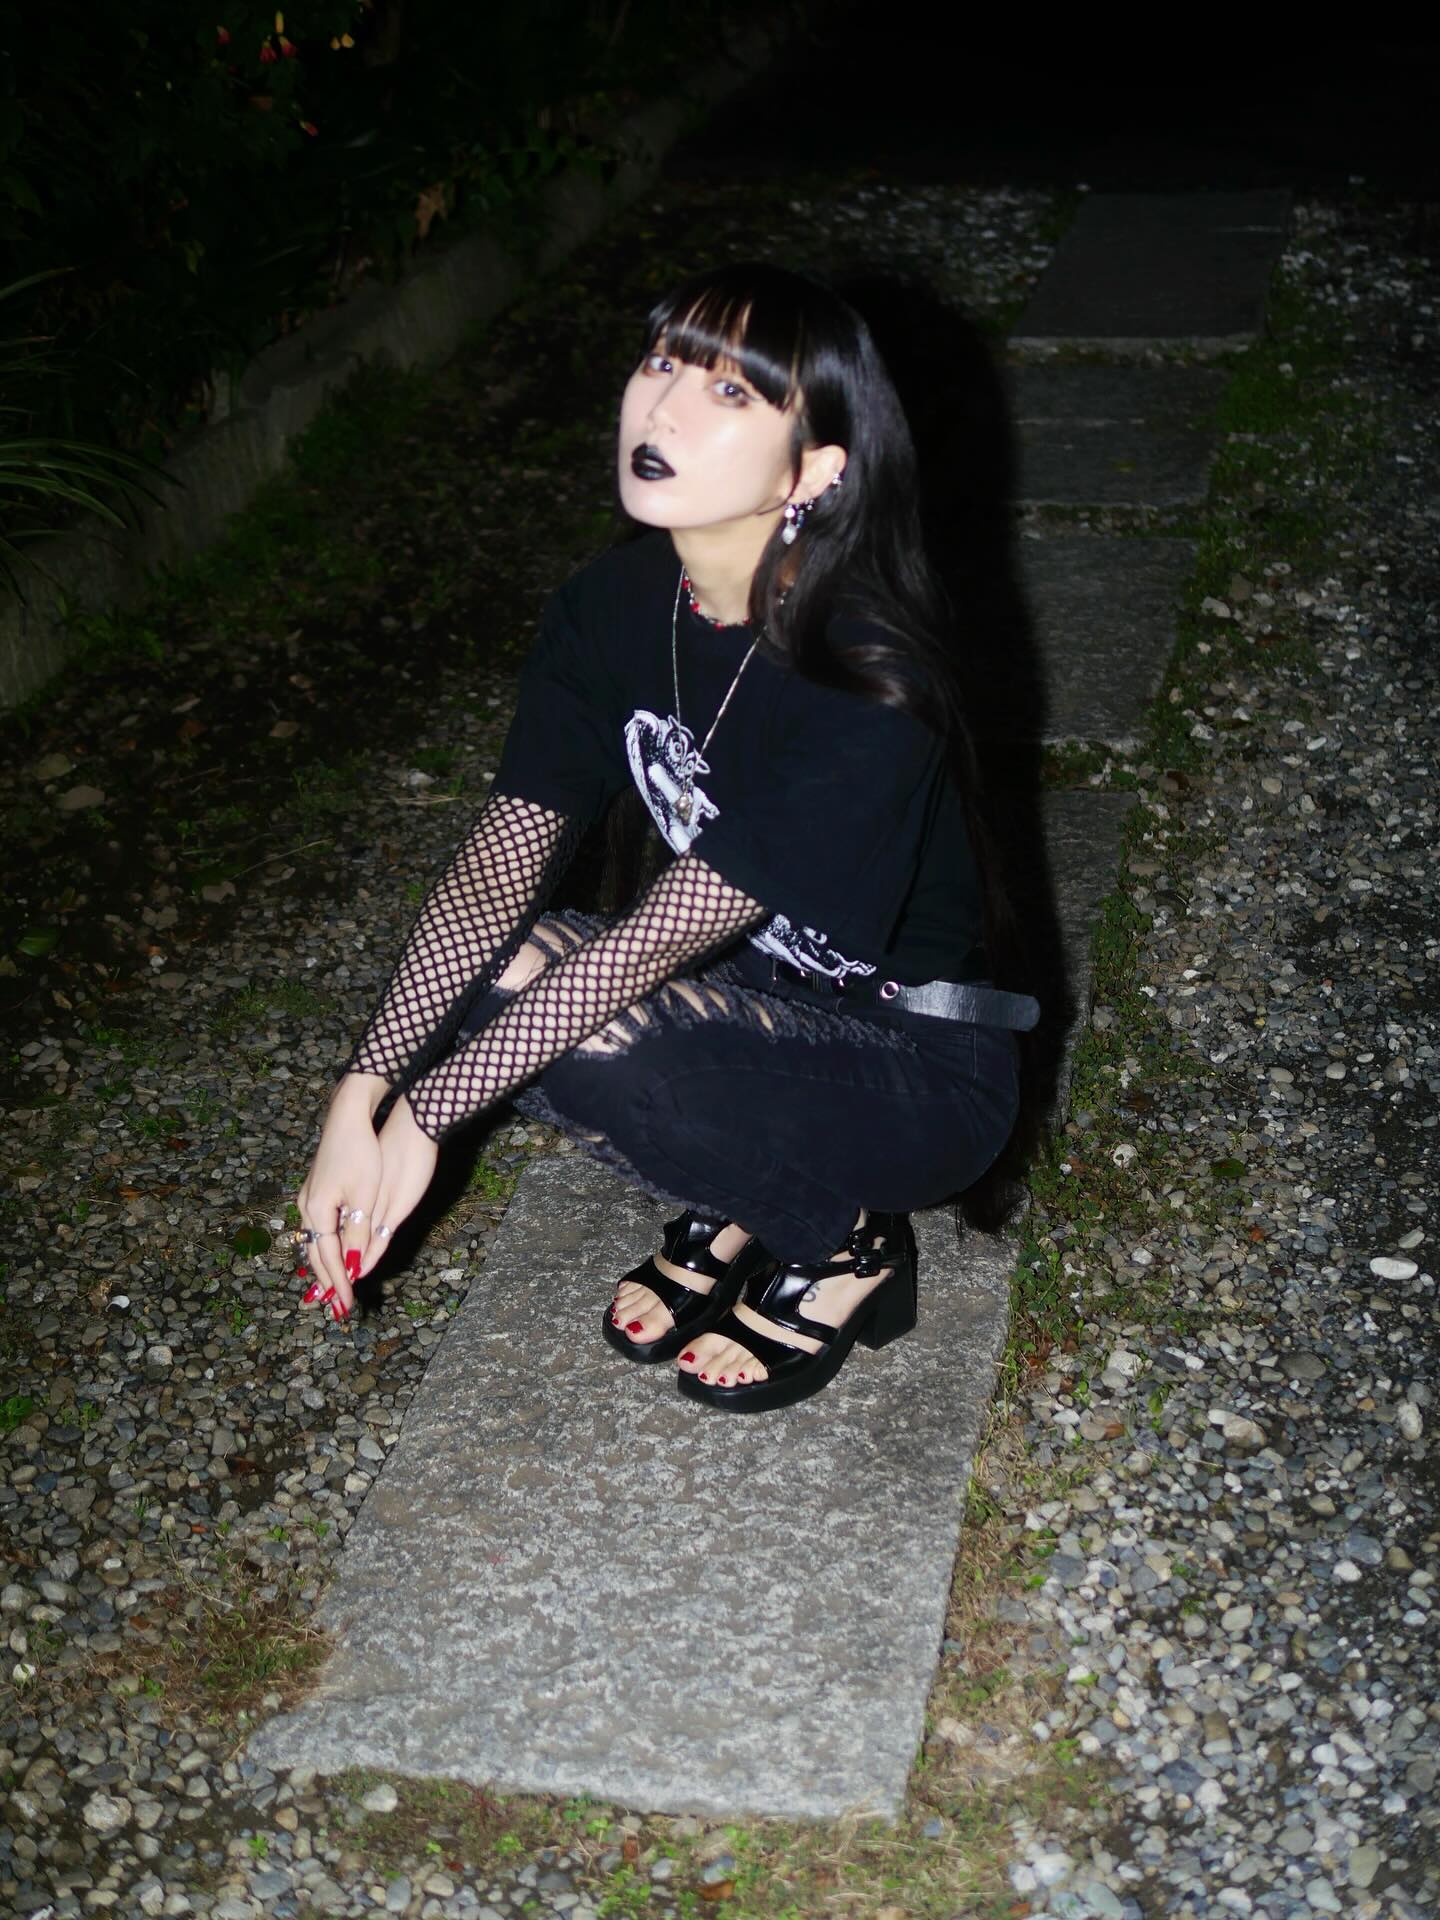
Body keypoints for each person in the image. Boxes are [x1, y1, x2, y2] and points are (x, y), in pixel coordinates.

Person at [294, 261, 1037, 1413]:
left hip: (914, 1062)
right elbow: (501, 860)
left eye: (732, 393)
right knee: (483, 974)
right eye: (661, 364)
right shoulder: (611, 606)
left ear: (815, 471)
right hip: (745, 996)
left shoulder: (870, 671)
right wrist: (362, 1097)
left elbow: (650, 946)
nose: (665, 409)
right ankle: (741, 1189)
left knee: (599, 1043)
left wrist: (424, 1122)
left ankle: (840, 1242)